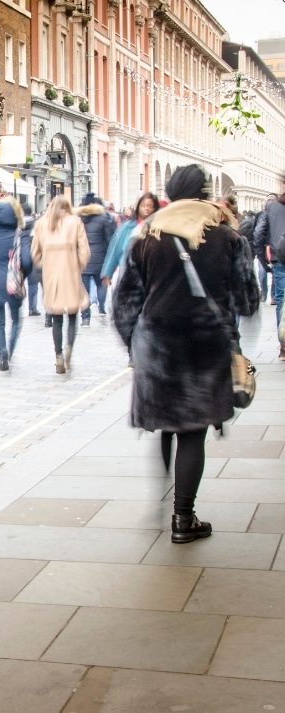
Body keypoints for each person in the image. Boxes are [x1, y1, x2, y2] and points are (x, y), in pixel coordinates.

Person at [114, 165, 259, 544]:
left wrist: (135, 343)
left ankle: (166, 497)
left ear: (168, 193)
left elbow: (124, 301)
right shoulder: (228, 237)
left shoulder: (146, 236)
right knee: (192, 433)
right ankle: (183, 517)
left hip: (157, 347)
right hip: (204, 346)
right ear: (204, 192)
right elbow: (247, 300)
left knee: (166, 425)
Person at [31, 195, 91, 374]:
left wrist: (45, 264)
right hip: (71, 273)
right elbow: (85, 251)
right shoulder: (75, 222)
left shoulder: (42, 224)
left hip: (51, 276)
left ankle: (58, 355)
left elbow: (35, 253)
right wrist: (78, 265)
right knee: (72, 315)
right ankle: (69, 348)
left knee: (56, 318)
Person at [0, 199, 32, 371]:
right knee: (16, 319)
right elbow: (27, 260)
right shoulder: (19, 235)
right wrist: (24, 275)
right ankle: (9, 350)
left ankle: (1, 352)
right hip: (13, 282)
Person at [101, 192, 160, 291]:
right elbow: (116, 250)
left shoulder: (158, 228)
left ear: (155, 208)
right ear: (138, 207)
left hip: (151, 277)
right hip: (127, 275)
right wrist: (108, 273)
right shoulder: (127, 227)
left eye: (150, 206)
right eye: (143, 205)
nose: (146, 209)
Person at [253, 190, 285, 359]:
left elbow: (259, 233)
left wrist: (261, 258)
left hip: (279, 258)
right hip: (279, 256)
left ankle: (283, 345)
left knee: (281, 300)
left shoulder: (271, 208)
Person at [76, 193, 116, 325]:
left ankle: (85, 318)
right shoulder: (103, 218)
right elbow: (109, 239)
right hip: (100, 257)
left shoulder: (78, 218)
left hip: (82, 257)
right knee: (101, 285)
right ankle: (101, 308)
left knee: (84, 289)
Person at [20, 204, 41, 316]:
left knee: (19, 283)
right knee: (33, 284)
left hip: (20, 258)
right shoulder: (36, 224)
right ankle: (32, 308)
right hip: (33, 256)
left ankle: (18, 306)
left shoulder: (17, 225)